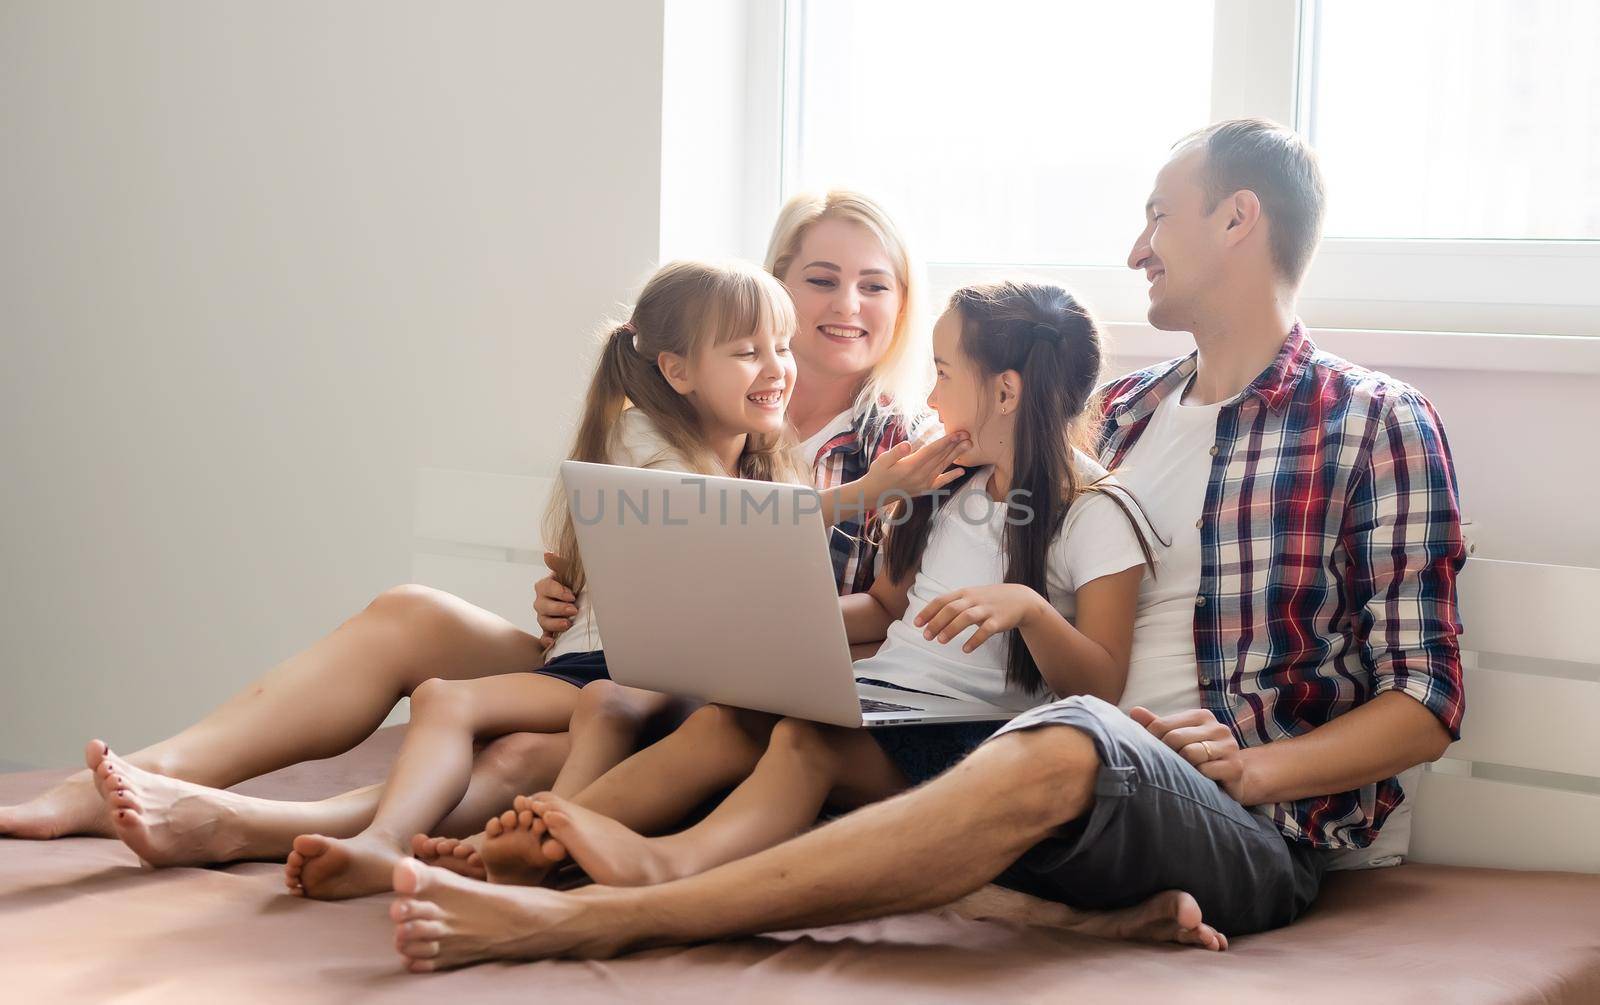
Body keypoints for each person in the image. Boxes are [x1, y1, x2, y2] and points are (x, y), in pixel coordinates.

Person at [385, 118, 1467, 972]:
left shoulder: (1369, 422)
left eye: (1157, 217)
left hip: (1240, 823)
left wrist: (1257, 764)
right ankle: (513, 854)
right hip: (1072, 771)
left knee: (1064, 735)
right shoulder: (1116, 416)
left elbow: (1424, 701)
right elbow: (941, 570)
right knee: (802, 730)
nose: (1136, 246)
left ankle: (606, 920)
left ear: (1238, 221)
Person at [0, 191, 962, 856]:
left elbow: (889, 624)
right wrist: (579, 594)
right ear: (773, 284)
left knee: (537, 742)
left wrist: (750, 604)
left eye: (875, 284)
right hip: (624, 652)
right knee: (411, 611)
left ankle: (252, 826)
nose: (848, 306)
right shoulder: (699, 408)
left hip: (720, 695)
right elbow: (635, 545)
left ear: (901, 301)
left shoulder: (901, 441)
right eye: (823, 278)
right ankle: (135, 775)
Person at [482, 279, 1172, 895]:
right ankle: (547, 838)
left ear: (1006, 392)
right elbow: (882, 609)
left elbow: (1101, 688)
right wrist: (772, 629)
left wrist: (1029, 610)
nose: (930, 397)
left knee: (803, 746)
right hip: (883, 703)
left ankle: (662, 867)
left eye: (942, 374)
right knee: (732, 715)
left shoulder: (1095, 510)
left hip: (970, 736)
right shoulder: (946, 483)